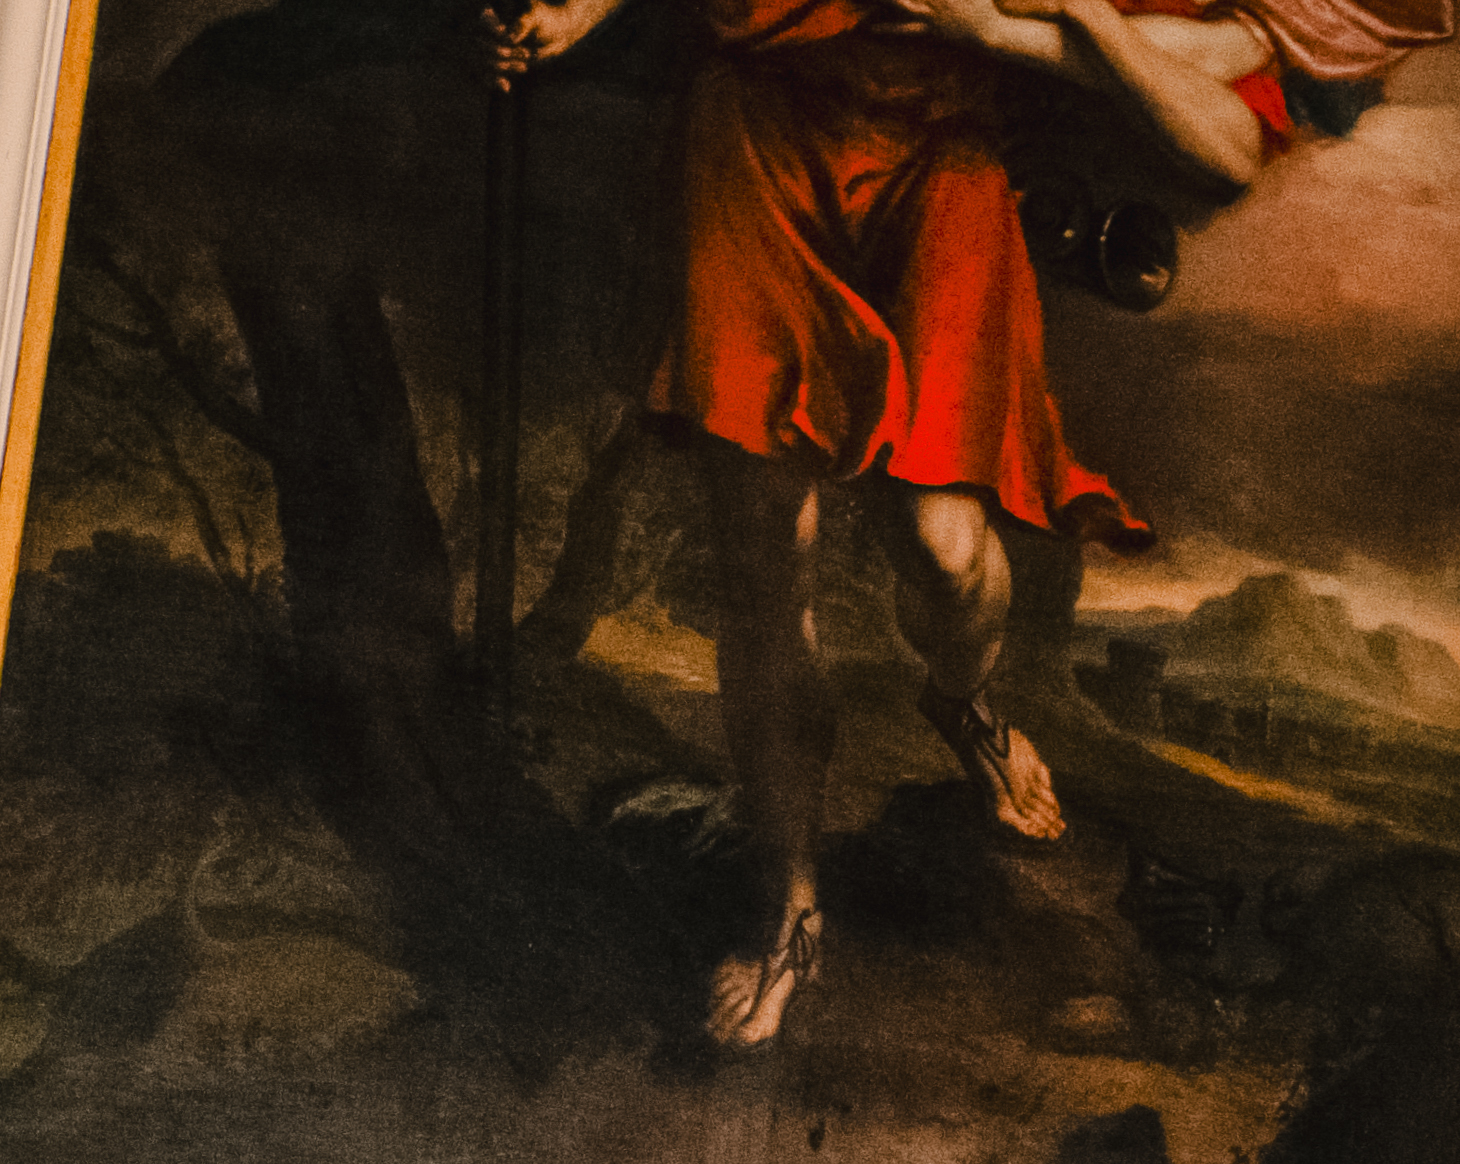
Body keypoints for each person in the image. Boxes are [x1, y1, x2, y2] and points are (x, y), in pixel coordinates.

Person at [496, 0, 1333, 1046]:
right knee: (765, 561)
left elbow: (1226, 105)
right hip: (756, 126)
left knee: (942, 549)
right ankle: (789, 907)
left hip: (942, 150)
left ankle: (964, 704)